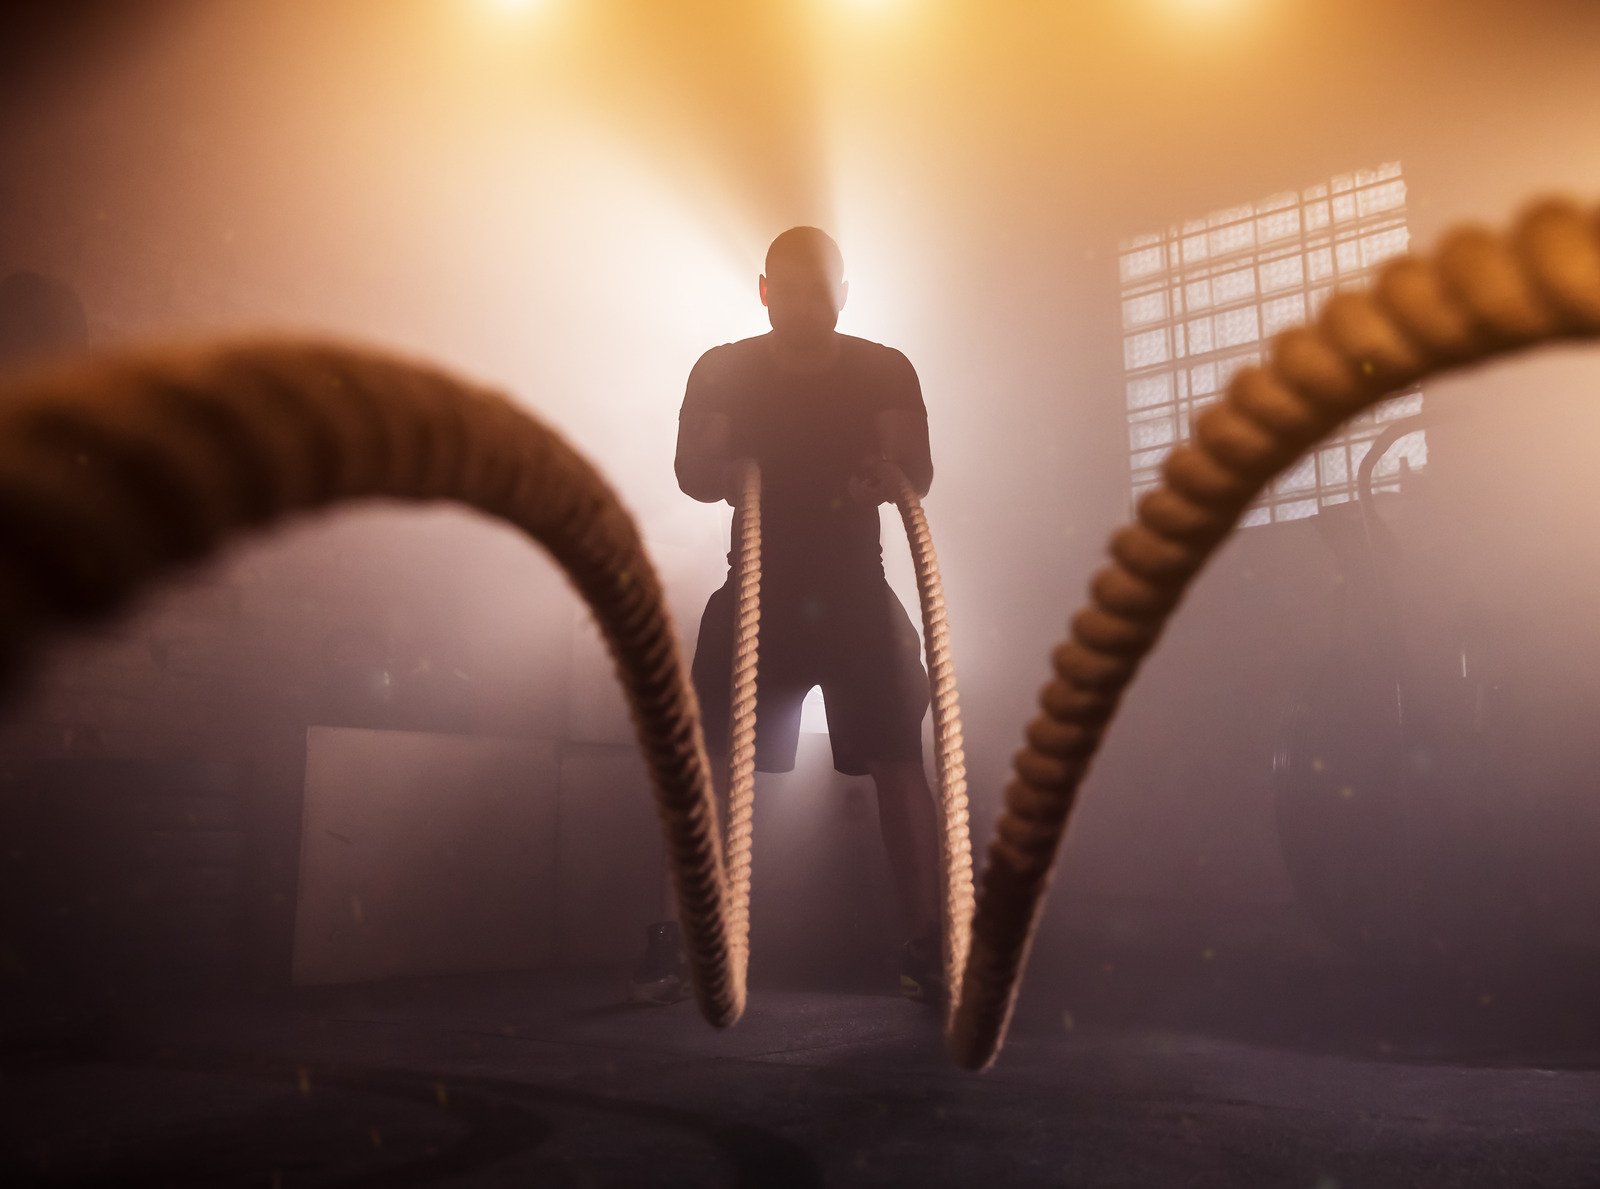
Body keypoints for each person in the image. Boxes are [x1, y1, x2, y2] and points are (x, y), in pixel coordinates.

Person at [630, 227, 945, 1007]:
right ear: (765, 289)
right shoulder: (724, 369)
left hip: (855, 592)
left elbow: (921, 470)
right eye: (791, 290)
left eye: (821, 290)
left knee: (900, 762)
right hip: (758, 590)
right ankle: (680, 939)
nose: (806, 306)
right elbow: (688, 470)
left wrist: (889, 473)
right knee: (704, 763)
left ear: (843, 291)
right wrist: (723, 468)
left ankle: (930, 944)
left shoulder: (882, 368)